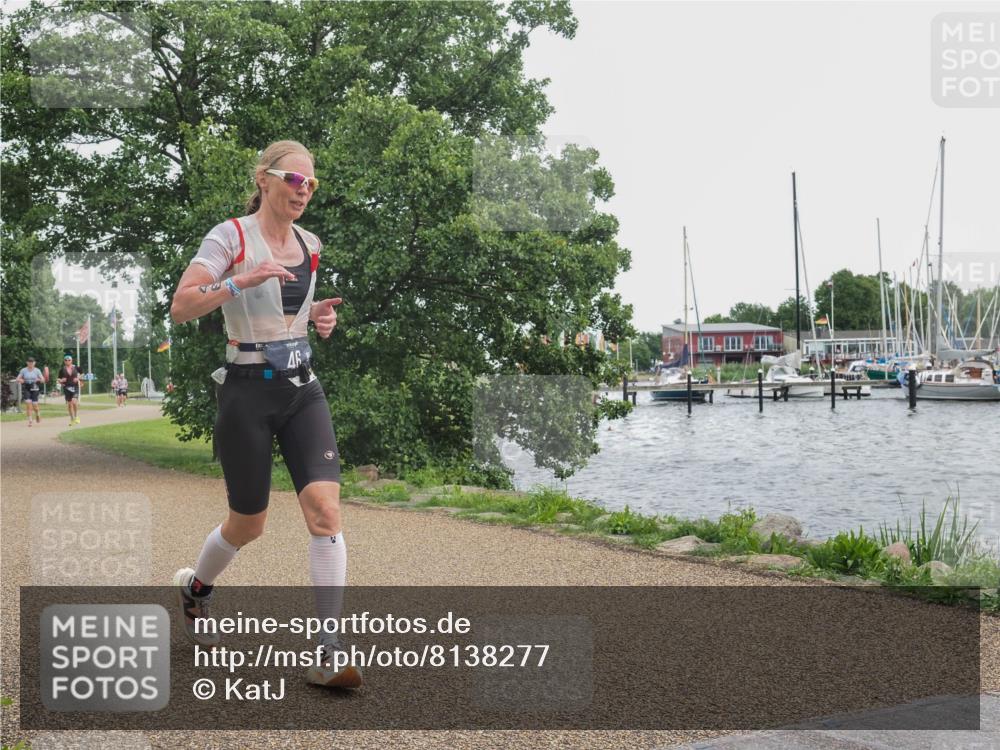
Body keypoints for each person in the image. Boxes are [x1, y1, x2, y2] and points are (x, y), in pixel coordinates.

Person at [169, 140, 354, 688]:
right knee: (248, 523)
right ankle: (196, 589)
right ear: (264, 179)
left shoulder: (310, 244)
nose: (304, 190)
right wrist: (239, 280)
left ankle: (328, 650)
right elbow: (182, 305)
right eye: (294, 180)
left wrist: (317, 317)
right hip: (246, 393)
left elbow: (286, 316)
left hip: (301, 389)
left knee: (325, 512)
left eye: (311, 183)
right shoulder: (230, 237)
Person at [16, 356, 45, 426]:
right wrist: (20, 380)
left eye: (32, 362)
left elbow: (43, 379)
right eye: (29, 362)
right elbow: (17, 379)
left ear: (34, 363)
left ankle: (37, 414)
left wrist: (39, 380)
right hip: (27, 388)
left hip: (35, 387)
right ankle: (30, 420)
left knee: (35, 406)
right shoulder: (23, 370)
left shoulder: (37, 370)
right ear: (27, 363)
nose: (31, 363)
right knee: (28, 404)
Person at [57, 354, 82, 425]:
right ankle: (72, 419)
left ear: (71, 361)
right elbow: (58, 379)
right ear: (64, 361)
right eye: (66, 360)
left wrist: (78, 378)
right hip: (66, 388)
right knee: (69, 404)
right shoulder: (62, 369)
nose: (67, 361)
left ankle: (76, 417)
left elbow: (82, 374)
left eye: (69, 360)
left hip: (75, 387)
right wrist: (61, 380)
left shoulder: (76, 367)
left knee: (74, 402)